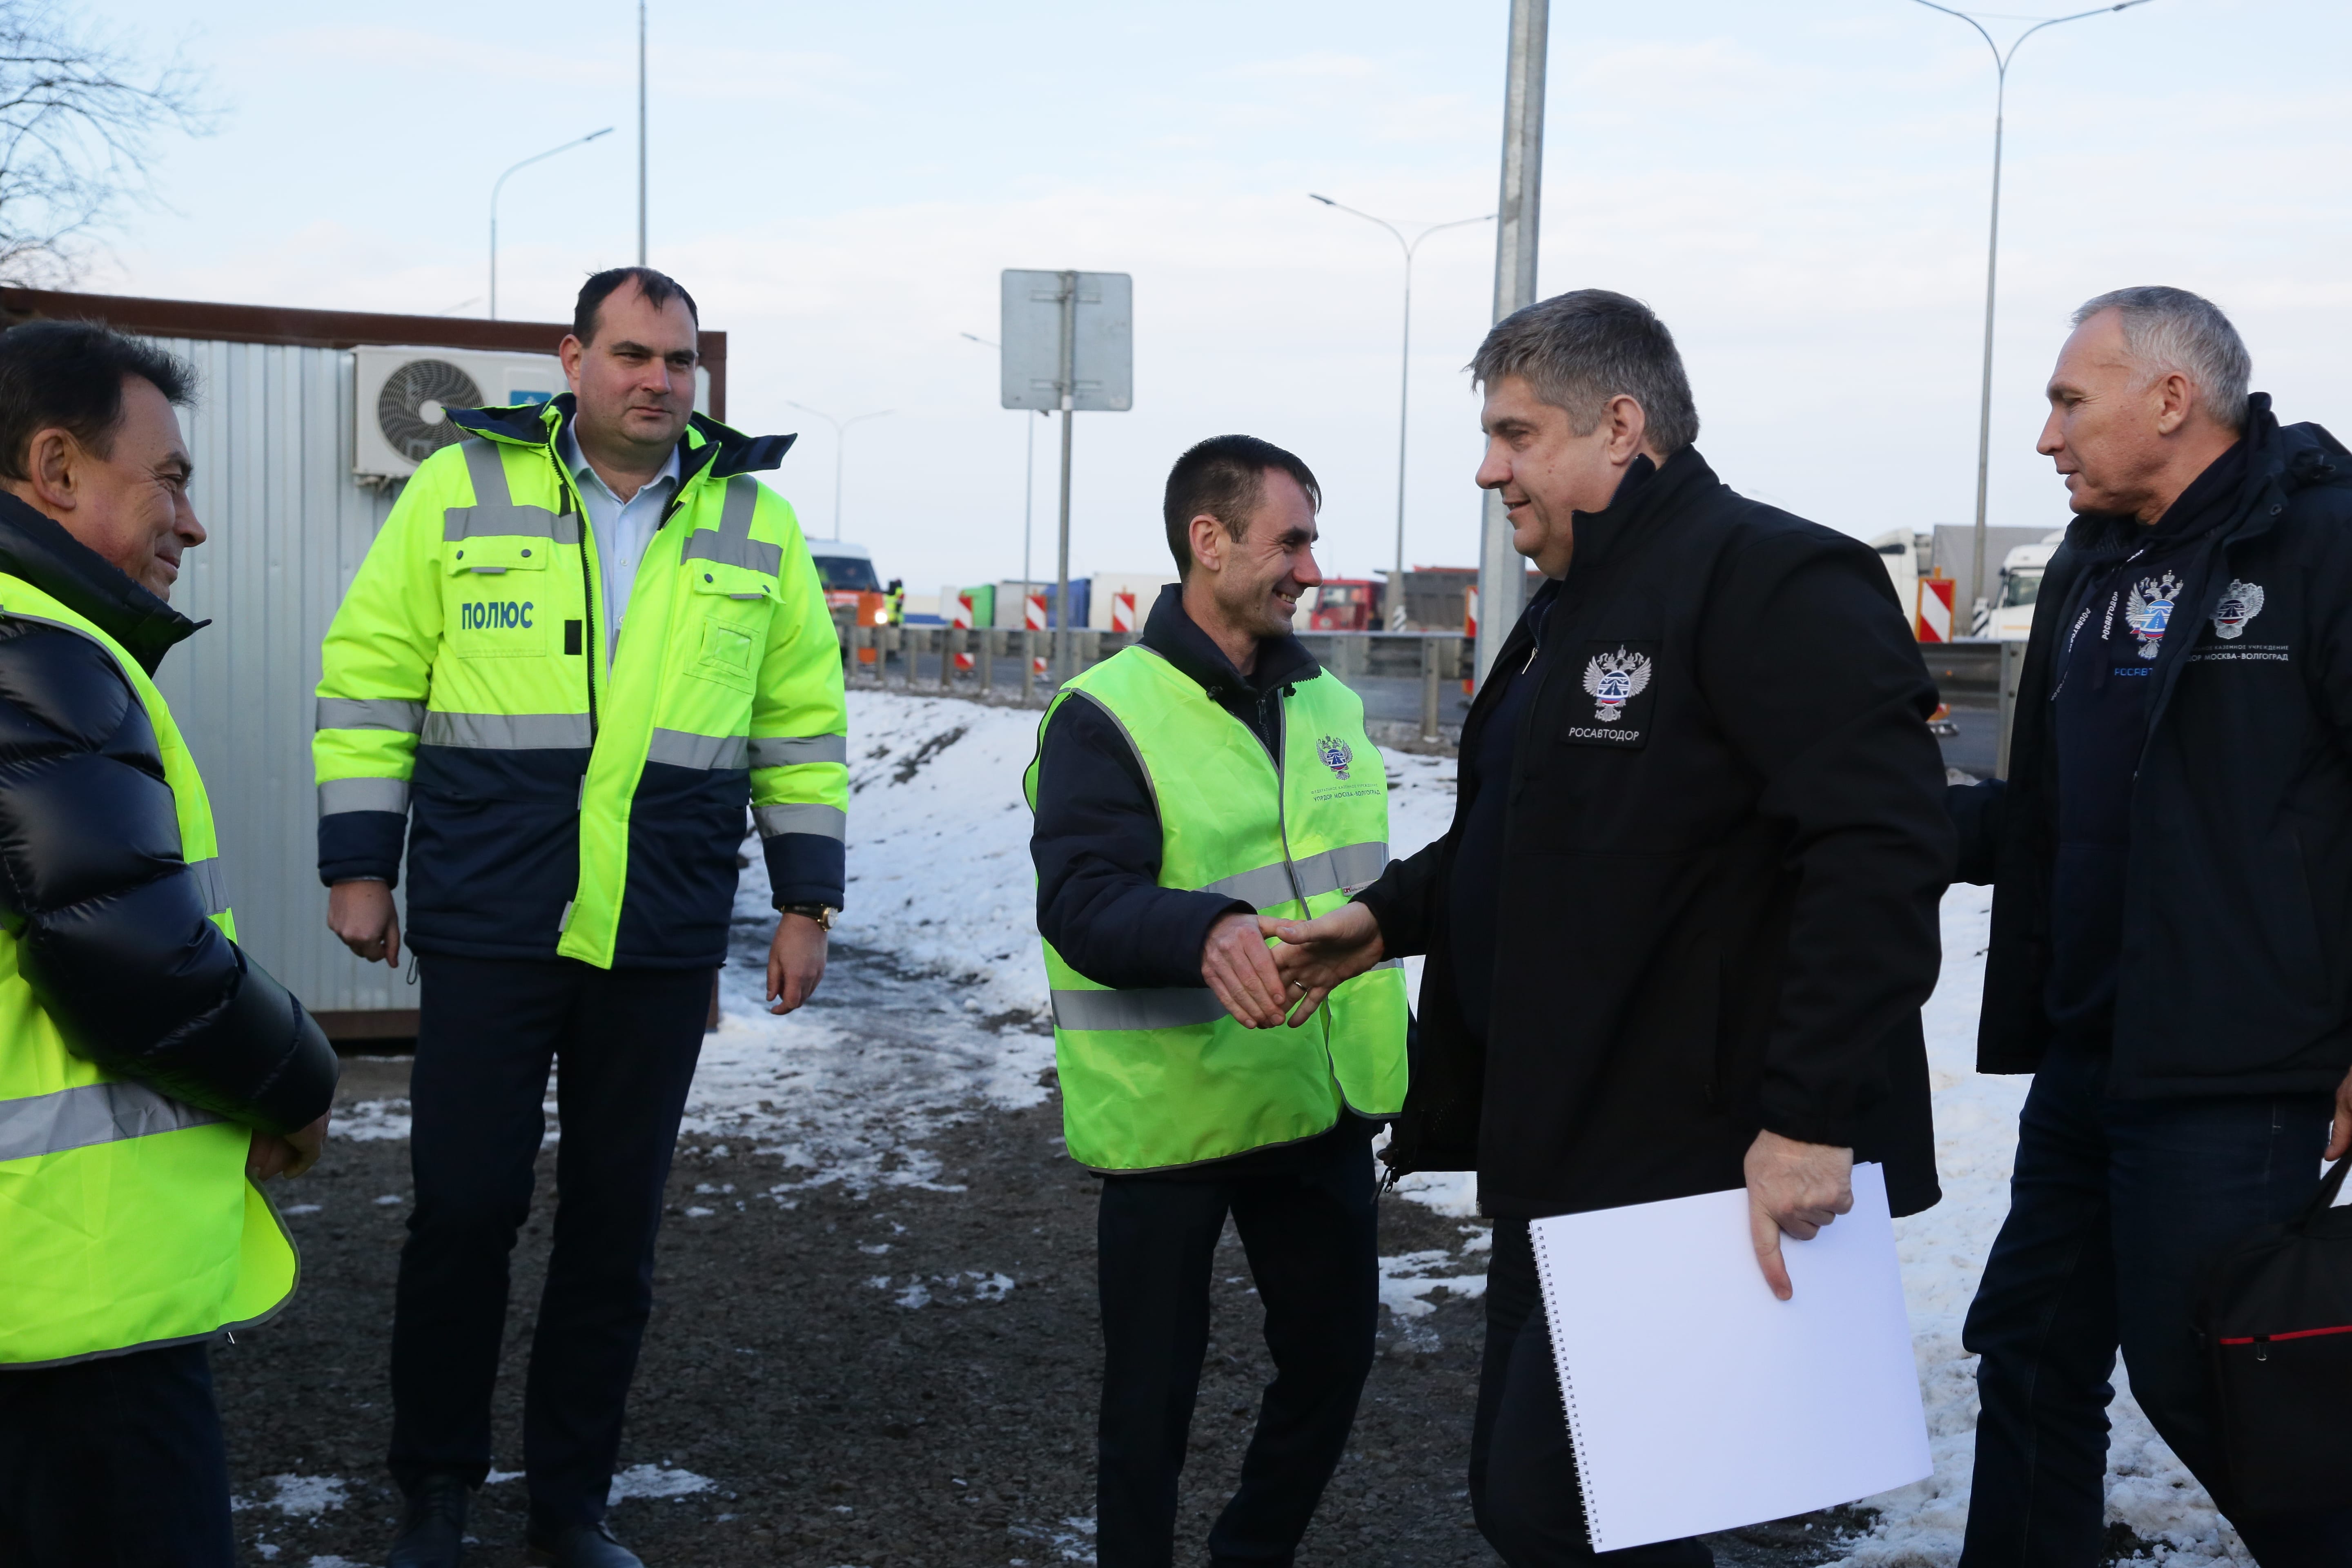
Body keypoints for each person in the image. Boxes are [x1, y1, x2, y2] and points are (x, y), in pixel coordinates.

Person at [1270, 290, 1951, 1566]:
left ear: (1622, 426)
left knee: (1565, 1506)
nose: (1490, 470)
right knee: (1570, 1504)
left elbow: (1880, 852)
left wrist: (1809, 1118)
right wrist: (1385, 919)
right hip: (1567, 1137)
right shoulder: (1570, 603)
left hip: (1693, 1153)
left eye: (1516, 434)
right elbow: (1533, 834)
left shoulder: (1770, 575)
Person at [313, 267, 848, 1568]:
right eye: (631, 354)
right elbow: (373, 677)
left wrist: (806, 901)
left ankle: (571, 1504)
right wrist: (359, 864)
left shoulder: (754, 520)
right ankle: (435, 1490)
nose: (658, 380)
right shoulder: (461, 485)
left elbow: (799, 725)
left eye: (678, 360)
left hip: (658, 927)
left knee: (614, 1232)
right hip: (493, 914)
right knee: (463, 1211)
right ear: (572, 359)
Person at [1947, 287, 2352, 1566]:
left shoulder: (2323, 542)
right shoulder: (2094, 560)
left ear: (2172, 400)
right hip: (2091, 1054)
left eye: (2071, 402)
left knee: (2226, 1384)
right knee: (2027, 1352)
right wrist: (1891, 818)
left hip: (2243, 1067)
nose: (2048, 437)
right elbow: (2059, 810)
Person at [1023, 434, 1409, 1568]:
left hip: (1318, 1100)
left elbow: (1357, 885)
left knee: (1333, 1364)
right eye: (1292, 542)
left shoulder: (1332, 705)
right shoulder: (1106, 712)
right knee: (1151, 1404)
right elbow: (1081, 899)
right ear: (1210, 540)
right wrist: (1205, 930)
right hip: (1174, 1115)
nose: (1311, 568)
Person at [0, 321, 338, 1566]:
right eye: (171, 480)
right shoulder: (36, 652)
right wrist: (298, 1080)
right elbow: (124, 952)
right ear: (57, 468)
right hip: (67, 1302)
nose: (192, 525)